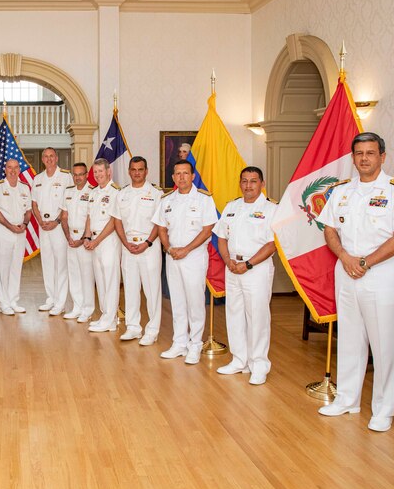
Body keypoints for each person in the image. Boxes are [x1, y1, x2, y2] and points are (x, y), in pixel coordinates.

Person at [316, 132, 394, 432]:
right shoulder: (342, 191)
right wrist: (346, 257)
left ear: (382, 157)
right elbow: (330, 229)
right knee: (349, 338)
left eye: (370, 153)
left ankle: (384, 410)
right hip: (346, 269)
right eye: (359, 153)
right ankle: (347, 399)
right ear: (353, 157)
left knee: (384, 343)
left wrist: (365, 262)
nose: (364, 158)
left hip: (381, 273)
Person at [213, 166, 277, 384]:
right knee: (234, 313)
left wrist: (248, 264)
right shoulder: (232, 206)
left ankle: (259, 364)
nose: (248, 185)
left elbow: (272, 244)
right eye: (244, 181)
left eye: (253, 181)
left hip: (256, 269)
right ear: (239, 183)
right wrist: (227, 261)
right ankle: (239, 359)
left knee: (257, 317)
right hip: (232, 266)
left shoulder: (271, 209)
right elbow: (221, 237)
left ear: (262, 183)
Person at [153, 160, 218, 364]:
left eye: (185, 173)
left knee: (195, 301)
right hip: (173, 256)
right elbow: (162, 228)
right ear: (173, 177)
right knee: (178, 301)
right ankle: (179, 343)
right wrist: (169, 248)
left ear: (192, 176)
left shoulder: (203, 200)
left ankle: (195, 344)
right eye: (177, 174)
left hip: (194, 257)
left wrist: (186, 249)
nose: (181, 177)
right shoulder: (167, 200)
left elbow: (208, 229)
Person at [113, 156, 164, 344]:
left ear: (146, 171)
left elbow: (160, 223)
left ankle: (152, 330)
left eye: (140, 169)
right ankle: (133, 327)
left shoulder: (156, 193)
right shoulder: (122, 194)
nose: (136, 173)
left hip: (149, 247)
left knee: (152, 291)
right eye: (133, 169)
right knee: (131, 289)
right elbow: (117, 220)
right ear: (129, 171)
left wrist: (147, 243)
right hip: (128, 247)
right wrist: (125, 243)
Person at [0, 159, 32, 315]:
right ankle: (3, 303)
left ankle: (13, 301)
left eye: (15, 167)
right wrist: (10, 226)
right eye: (9, 167)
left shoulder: (25, 187)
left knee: (15, 268)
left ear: (19, 169)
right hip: (4, 231)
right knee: (3, 268)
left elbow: (28, 210)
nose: (13, 170)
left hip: (20, 231)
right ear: (5, 169)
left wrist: (25, 224)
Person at [31, 147, 72, 315]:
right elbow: (34, 203)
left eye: (51, 156)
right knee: (47, 263)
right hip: (43, 227)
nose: (49, 159)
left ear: (56, 158)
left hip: (59, 227)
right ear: (42, 159)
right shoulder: (38, 178)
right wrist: (40, 221)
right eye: (45, 156)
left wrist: (56, 221)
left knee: (61, 264)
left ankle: (60, 302)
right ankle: (51, 298)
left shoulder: (65, 176)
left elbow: (68, 202)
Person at [83, 158, 121, 333]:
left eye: (101, 171)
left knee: (111, 281)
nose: (98, 175)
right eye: (95, 172)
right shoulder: (94, 192)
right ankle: (106, 316)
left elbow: (114, 221)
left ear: (108, 172)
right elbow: (90, 216)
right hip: (95, 241)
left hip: (108, 241)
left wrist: (97, 241)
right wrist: (87, 237)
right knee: (100, 280)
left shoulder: (115, 192)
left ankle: (110, 318)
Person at [60, 163, 95, 322]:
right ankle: (77, 307)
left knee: (86, 276)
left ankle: (87, 310)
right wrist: (68, 237)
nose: (78, 177)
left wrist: (81, 240)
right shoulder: (68, 191)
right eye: (75, 174)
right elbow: (64, 216)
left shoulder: (93, 192)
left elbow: (91, 218)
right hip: (71, 239)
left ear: (86, 174)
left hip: (85, 241)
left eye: (81, 174)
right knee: (73, 275)